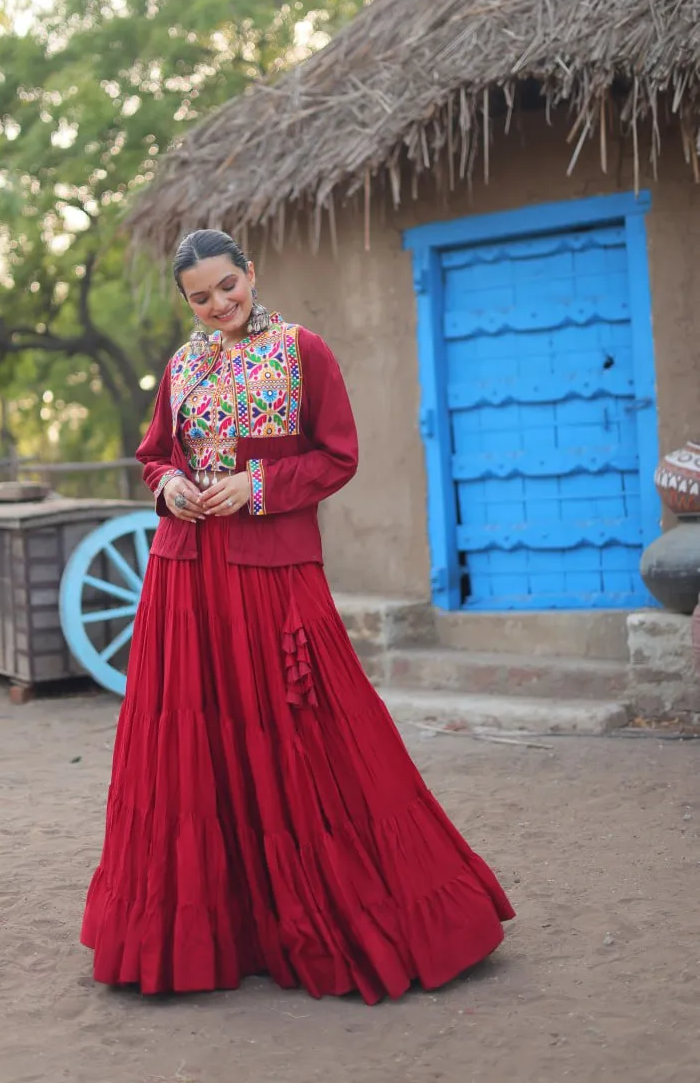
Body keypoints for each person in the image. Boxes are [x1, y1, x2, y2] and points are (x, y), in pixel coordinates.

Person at [81, 229, 514, 1004]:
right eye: (200, 297)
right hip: (186, 576)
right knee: (196, 745)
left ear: (251, 272)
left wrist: (257, 486)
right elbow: (153, 453)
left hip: (271, 572)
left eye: (226, 286)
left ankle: (337, 919)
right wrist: (169, 486)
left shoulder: (300, 350)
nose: (218, 305)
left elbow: (337, 454)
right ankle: (216, 935)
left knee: (310, 729)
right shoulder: (181, 366)